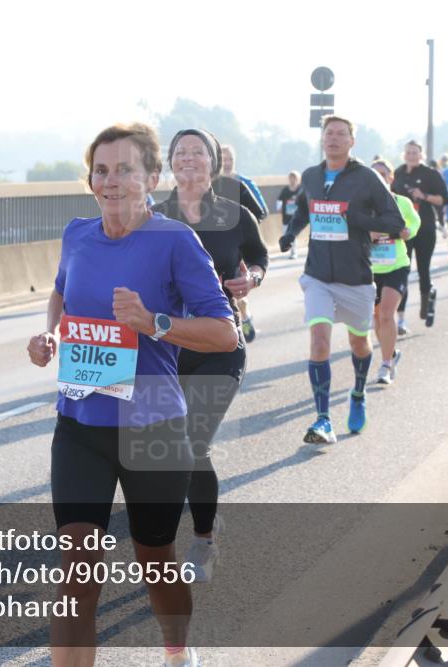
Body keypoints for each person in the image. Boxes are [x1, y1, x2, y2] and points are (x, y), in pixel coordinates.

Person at [27, 122, 238, 667]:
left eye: (125, 169)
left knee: (157, 564)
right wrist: (52, 333)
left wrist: (153, 322)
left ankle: (177, 650)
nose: (111, 180)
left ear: (151, 176)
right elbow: (60, 291)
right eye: (102, 169)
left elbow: (223, 332)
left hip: (153, 427)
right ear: (90, 178)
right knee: (78, 571)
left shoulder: (174, 240)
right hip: (80, 426)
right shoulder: (77, 234)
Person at [152, 128, 268, 585]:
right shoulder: (153, 216)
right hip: (168, 347)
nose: (189, 159)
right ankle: (202, 514)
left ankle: (202, 542)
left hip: (220, 346)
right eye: (180, 152)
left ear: (213, 162)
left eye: (198, 152)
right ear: (169, 164)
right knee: (166, 449)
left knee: (192, 444)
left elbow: (259, 258)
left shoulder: (235, 215)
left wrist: (252, 280)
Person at [278, 115, 404, 443]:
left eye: (341, 134)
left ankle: (358, 393)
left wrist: (355, 217)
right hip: (318, 275)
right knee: (319, 340)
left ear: (352, 142)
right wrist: (291, 233)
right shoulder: (311, 176)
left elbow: (395, 221)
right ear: (322, 139)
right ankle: (322, 419)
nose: (333, 138)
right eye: (329, 133)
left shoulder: (366, 178)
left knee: (359, 342)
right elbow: (305, 210)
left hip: (356, 278)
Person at [369, 159, 419, 385]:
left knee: (387, 314)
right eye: (374, 175)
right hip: (369, 267)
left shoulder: (402, 202)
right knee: (377, 318)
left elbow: (415, 222)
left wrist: (408, 231)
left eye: (382, 174)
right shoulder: (362, 205)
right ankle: (390, 354)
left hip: (396, 264)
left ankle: (386, 365)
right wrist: (367, 236)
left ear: (390, 178)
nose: (379, 178)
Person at [392, 140, 448, 333]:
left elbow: (443, 199)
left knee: (423, 269)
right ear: (404, 154)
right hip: (404, 230)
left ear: (421, 154)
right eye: (408, 152)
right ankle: (400, 319)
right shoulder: (398, 173)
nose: (411, 155)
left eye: (415, 152)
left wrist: (423, 196)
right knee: (402, 271)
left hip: (425, 227)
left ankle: (427, 300)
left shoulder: (430, 174)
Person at [214, 144, 268, 343]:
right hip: (213, 245)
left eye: (229, 159)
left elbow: (261, 212)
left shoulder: (241, 184)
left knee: (235, 292)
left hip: (237, 245)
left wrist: (241, 226)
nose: (225, 163)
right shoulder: (206, 185)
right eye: (222, 159)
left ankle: (241, 319)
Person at [277, 170, 304, 259]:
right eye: (291, 178)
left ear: (298, 179)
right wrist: (279, 208)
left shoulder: (300, 190)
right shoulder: (285, 190)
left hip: (296, 217)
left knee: (292, 234)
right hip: (286, 217)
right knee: (286, 233)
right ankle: (289, 249)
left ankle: (293, 252)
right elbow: (279, 200)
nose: (292, 180)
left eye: (294, 178)